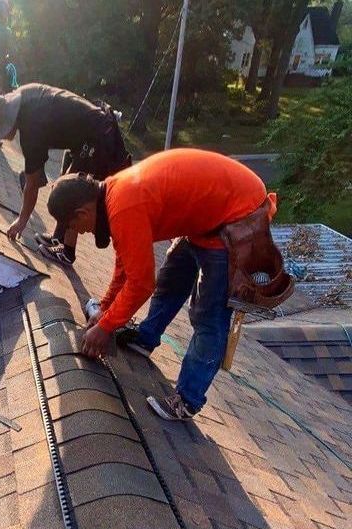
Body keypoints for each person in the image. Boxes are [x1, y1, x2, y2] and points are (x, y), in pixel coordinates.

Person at [45, 149, 279, 421]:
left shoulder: (123, 206)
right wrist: (104, 311)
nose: (82, 232)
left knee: (208, 316)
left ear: (82, 211)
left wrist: (106, 326)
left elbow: (141, 284)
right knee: (172, 277)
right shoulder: (113, 195)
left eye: (77, 226)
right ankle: (146, 338)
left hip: (236, 214)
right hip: (209, 210)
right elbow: (126, 265)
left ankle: (188, 400)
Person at [0, 83, 131, 264]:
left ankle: (67, 251)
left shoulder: (31, 128)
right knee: (64, 186)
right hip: (84, 137)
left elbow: (32, 184)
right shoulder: (23, 97)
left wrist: (21, 221)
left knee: (71, 195)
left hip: (98, 137)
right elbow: (35, 176)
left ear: (6, 122)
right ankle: (59, 238)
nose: (0, 138)